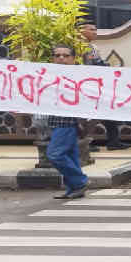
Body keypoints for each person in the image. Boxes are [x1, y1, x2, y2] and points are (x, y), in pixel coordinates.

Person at [79, 21, 130, 151]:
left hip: (97, 85)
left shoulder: (93, 47)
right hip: (85, 86)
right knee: (88, 116)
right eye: (91, 29)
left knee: (108, 111)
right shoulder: (79, 47)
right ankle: (85, 144)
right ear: (81, 31)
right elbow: (88, 66)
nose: (94, 32)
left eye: (95, 29)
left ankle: (113, 141)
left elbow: (98, 63)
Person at [46, 45, 90, 200]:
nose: (61, 58)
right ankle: (74, 188)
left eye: (65, 55)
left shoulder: (80, 75)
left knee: (54, 154)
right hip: (56, 120)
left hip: (69, 121)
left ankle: (79, 182)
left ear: (73, 58)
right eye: (57, 55)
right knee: (70, 156)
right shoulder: (49, 74)